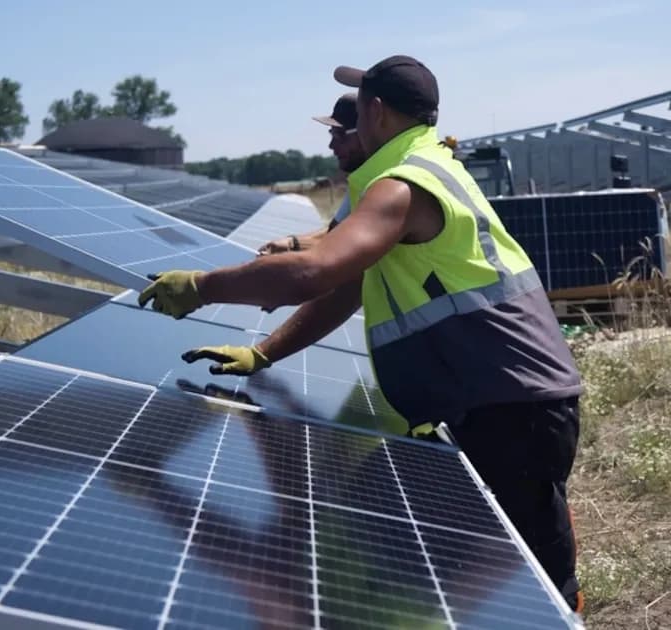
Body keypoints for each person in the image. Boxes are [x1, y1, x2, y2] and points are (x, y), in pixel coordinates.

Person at [137, 54, 587, 613]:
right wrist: (264, 352)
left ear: (374, 112)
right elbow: (348, 286)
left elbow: (316, 269)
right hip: (494, 402)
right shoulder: (417, 168)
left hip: (515, 408)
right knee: (382, 526)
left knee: (529, 580)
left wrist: (201, 286)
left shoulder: (403, 186)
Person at [256, 92, 367, 256]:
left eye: (340, 134)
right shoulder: (360, 181)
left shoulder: (383, 185)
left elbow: (342, 244)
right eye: (332, 134)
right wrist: (291, 243)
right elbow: (335, 231)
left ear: (368, 131)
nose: (331, 145)